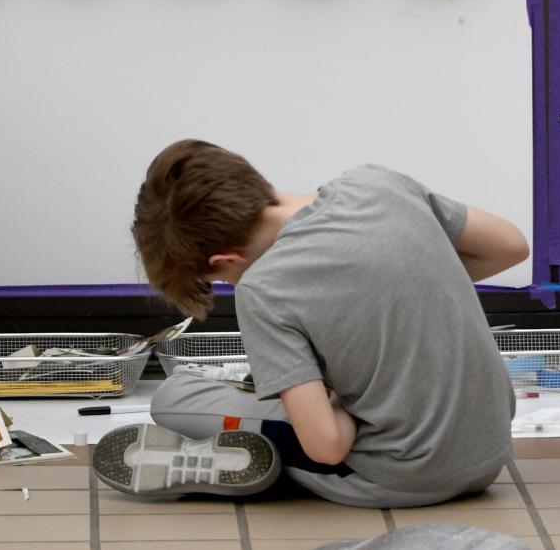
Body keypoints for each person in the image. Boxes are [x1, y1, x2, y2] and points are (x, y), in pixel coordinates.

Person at [93, 140, 528, 509]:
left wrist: (332, 391)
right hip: (491, 453)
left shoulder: (263, 289)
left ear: (224, 259)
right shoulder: (377, 184)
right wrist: (404, 292)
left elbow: (328, 445)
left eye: (218, 279)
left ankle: (261, 464)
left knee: (174, 397)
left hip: (403, 474)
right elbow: (510, 246)